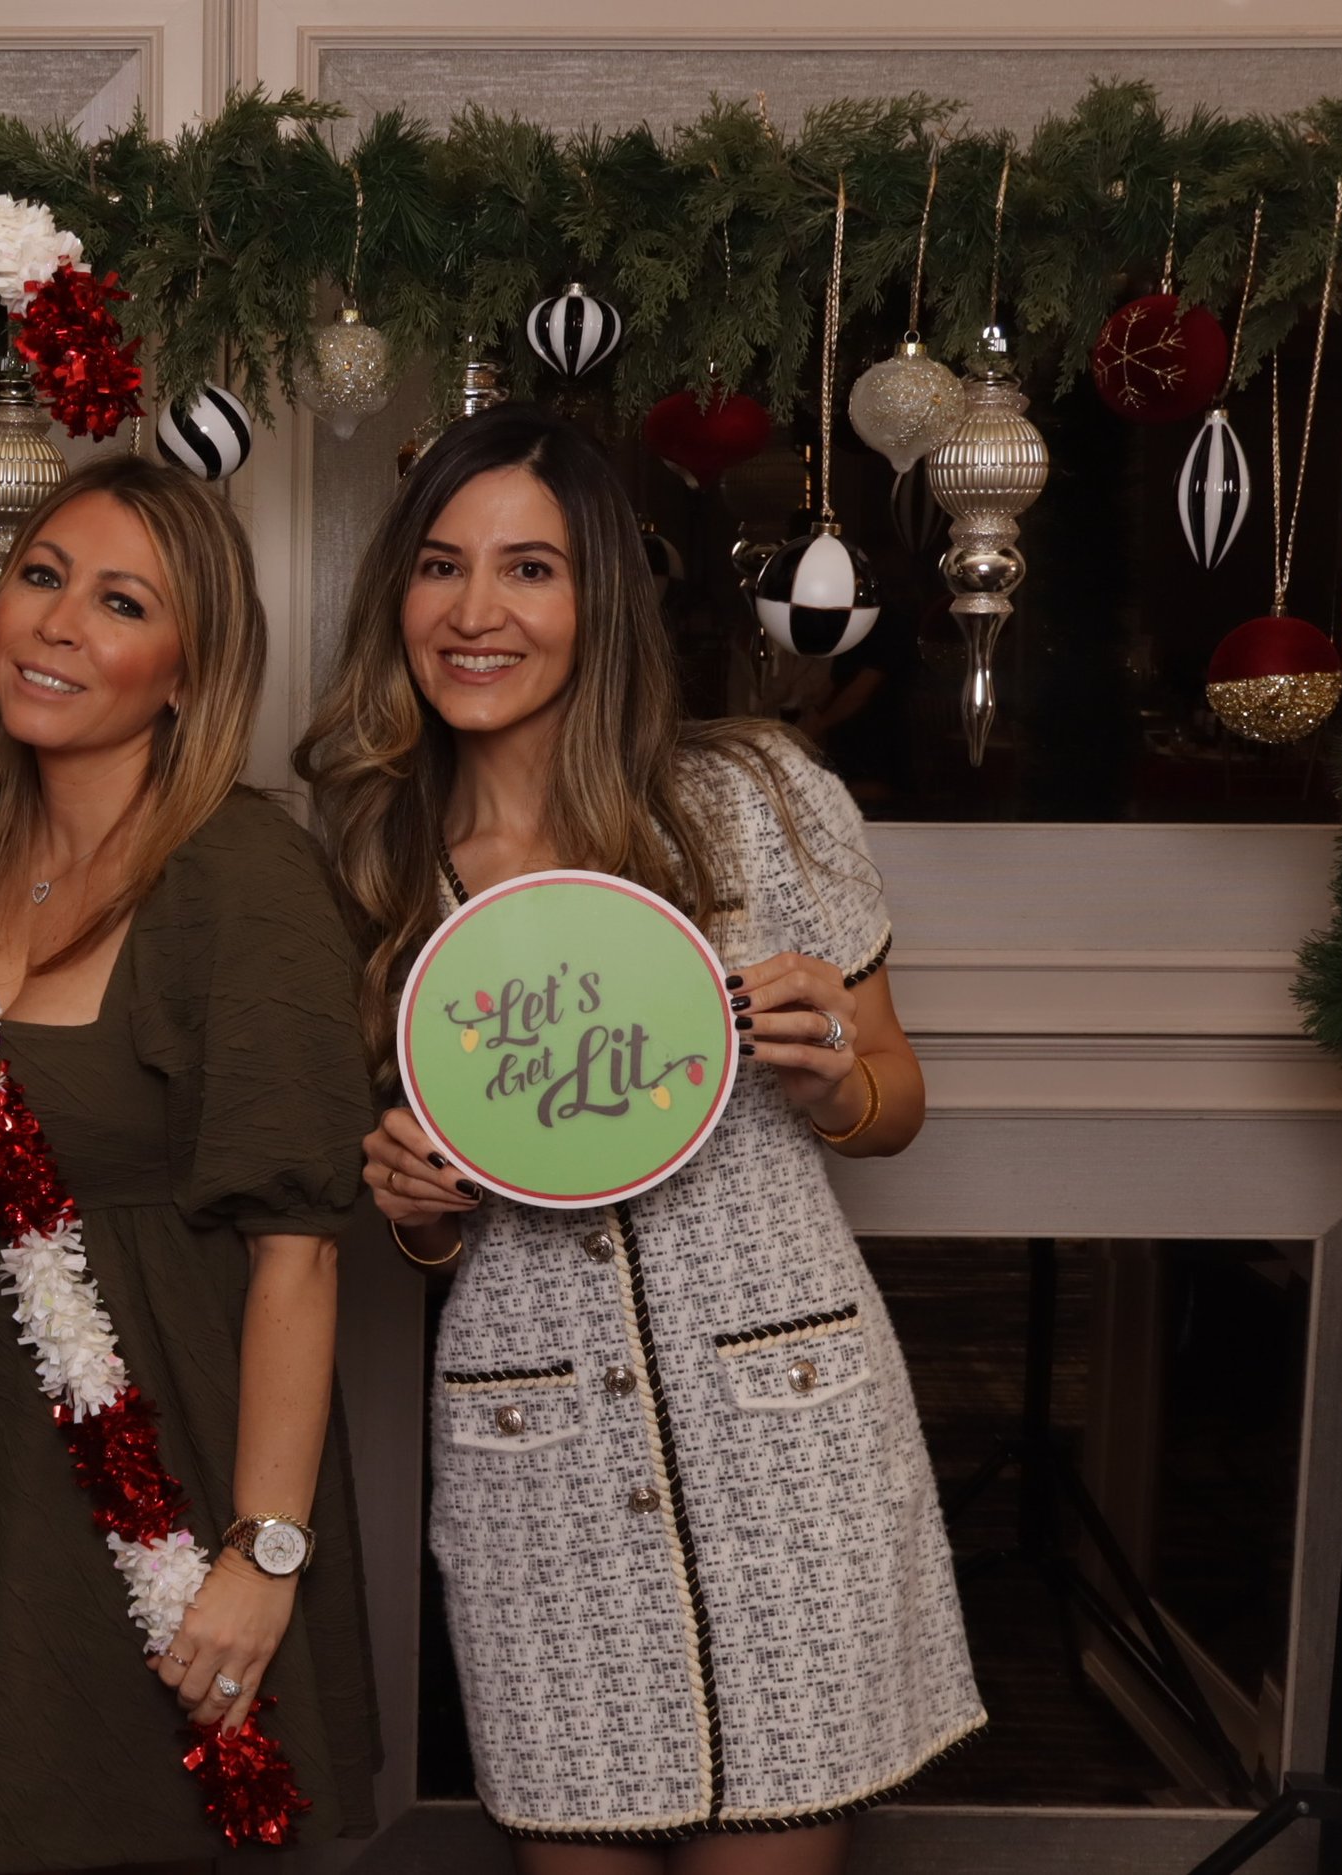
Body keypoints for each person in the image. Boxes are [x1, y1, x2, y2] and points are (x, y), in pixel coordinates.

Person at [297, 404, 982, 1872]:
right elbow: (425, 1225)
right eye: (440, 567)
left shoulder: (755, 802)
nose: (477, 612)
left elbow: (894, 1102)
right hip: (538, 1461)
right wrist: (414, 1201)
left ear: (599, 598)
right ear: (396, 600)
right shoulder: (372, 863)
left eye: (529, 569)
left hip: (789, 1436)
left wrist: (827, 1077)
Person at [0, 454, 380, 1872]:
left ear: (186, 672)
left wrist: (264, 1552)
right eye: (41, 578)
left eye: (118, 602)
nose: (56, 622)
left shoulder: (243, 881)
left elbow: (298, 1250)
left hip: (155, 1481)